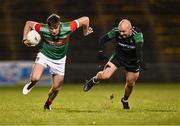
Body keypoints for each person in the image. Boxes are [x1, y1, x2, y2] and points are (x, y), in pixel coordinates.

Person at [22, 13, 93, 110]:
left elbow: (86, 19)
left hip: (60, 60)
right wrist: (25, 38)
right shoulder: (43, 28)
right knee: (35, 78)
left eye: (56, 28)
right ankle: (31, 84)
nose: (54, 31)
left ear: (59, 25)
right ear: (48, 26)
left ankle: (48, 104)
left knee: (56, 88)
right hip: (44, 55)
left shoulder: (67, 27)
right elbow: (28, 23)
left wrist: (85, 31)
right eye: (51, 28)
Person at [83, 19, 146, 109]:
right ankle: (94, 80)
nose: (121, 33)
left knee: (130, 83)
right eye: (120, 31)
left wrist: (140, 60)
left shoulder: (137, 34)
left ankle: (125, 100)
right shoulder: (116, 31)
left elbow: (139, 48)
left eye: (123, 31)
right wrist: (100, 51)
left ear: (130, 30)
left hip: (133, 60)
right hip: (119, 57)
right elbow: (102, 40)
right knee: (105, 76)